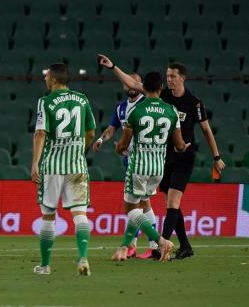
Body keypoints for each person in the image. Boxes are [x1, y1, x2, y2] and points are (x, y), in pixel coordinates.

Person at [98, 54, 226, 259]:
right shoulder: (167, 103)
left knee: (151, 206)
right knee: (165, 204)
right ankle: (182, 245)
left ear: (182, 78)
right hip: (163, 160)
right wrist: (113, 66)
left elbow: (206, 130)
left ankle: (159, 243)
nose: (169, 79)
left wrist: (216, 156)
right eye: (167, 76)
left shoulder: (193, 103)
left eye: (173, 76)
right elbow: (132, 82)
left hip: (173, 159)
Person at [109, 71, 191, 262]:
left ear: (144, 88)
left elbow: (123, 144)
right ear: (161, 88)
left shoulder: (135, 111)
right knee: (141, 205)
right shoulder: (171, 111)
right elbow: (179, 145)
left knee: (130, 209)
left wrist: (119, 150)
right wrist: (183, 147)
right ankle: (127, 248)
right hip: (157, 169)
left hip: (138, 166)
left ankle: (160, 241)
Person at [31, 63, 96, 276]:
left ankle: (45, 265)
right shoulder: (83, 99)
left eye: (47, 75)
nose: (45, 79)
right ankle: (83, 256)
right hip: (77, 165)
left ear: (55, 79)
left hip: (52, 167)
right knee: (80, 214)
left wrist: (35, 163)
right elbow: (90, 133)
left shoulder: (45, 101)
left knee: (49, 215)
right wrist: (80, 152)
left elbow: (40, 134)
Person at [92, 72, 159, 259]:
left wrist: (123, 146)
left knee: (141, 204)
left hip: (143, 161)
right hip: (129, 161)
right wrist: (101, 139)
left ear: (140, 85)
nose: (130, 87)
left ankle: (153, 244)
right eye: (127, 84)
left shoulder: (145, 105)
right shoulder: (121, 108)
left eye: (135, 83)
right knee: (140, 204)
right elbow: (112, 129)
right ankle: (135, 245)